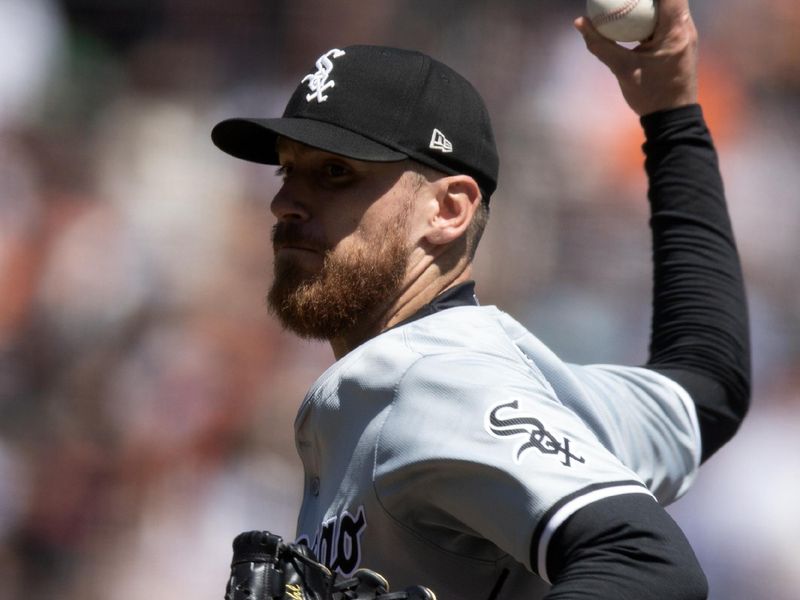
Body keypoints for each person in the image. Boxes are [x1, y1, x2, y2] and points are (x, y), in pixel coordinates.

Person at [210, 1, 750, 597]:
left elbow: (646, 563)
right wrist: (671, 114)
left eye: (335, 173)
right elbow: (707, 384)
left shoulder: (432, 381)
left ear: (447, 210)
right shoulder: (521, 380)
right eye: (287, 171)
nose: (285, 202)